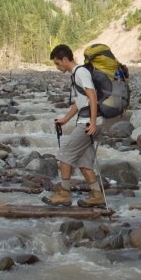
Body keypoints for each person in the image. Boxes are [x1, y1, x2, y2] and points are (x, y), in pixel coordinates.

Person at [42, 44, 106, 207]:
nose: (57, 67)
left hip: (88, 123)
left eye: (57, 63)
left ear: (65, 59)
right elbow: (80, 102)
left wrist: (92, 122)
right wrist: (65, 119)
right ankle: (97, 195)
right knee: (84, 162)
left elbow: (92, 96)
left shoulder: (81, 72)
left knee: (65, 154)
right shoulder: (76, 74)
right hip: (88, 122)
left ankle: (64, 194)